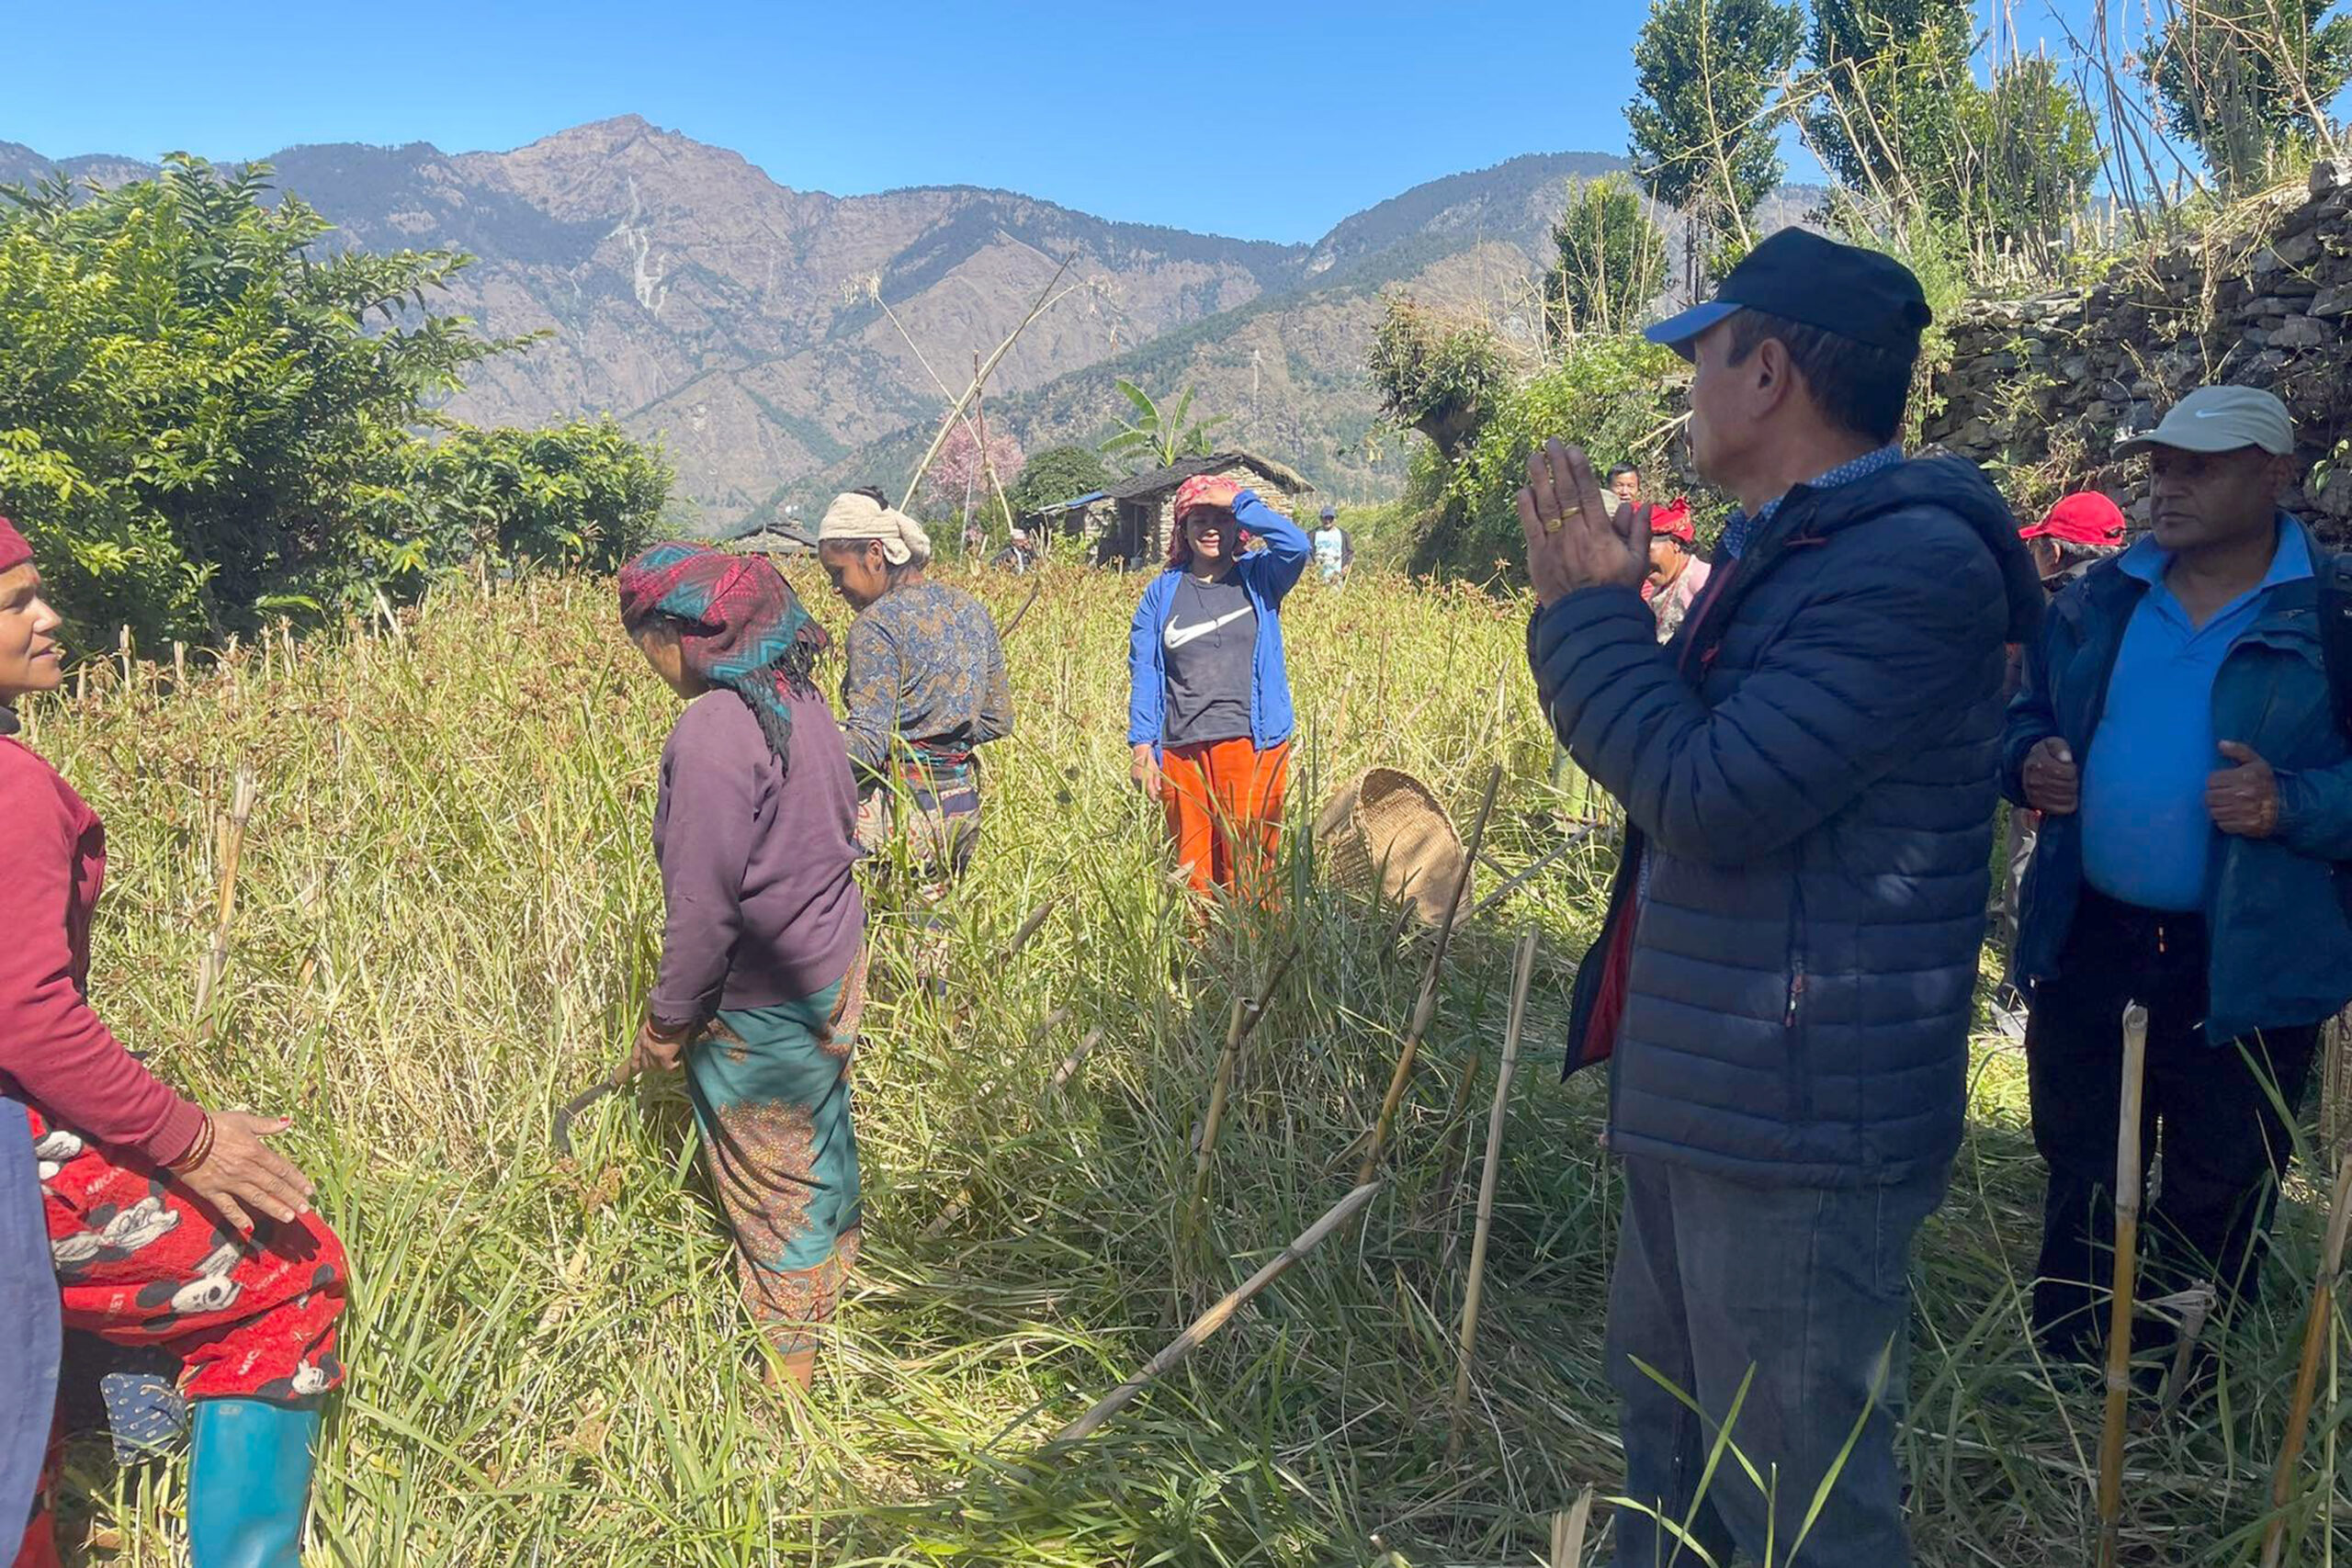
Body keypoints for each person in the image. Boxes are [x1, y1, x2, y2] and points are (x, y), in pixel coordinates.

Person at [1520, 229, 2041, 1568]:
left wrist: (1584, 618)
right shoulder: (1794, 549)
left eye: (1700, 354)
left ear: (1766, 371)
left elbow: (1704, 791)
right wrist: (1628, 609)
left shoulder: (1907, 564)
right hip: (1721, 1076)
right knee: (1679, 1448)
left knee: (1797, 1497)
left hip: (1799, 1108)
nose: (1685, 385)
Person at [0, 519, 347, 1568]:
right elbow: (27, 1014)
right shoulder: (10, 789)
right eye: (16, 603)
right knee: (288, 1274)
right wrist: (188, 1138)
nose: (47, 618)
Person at [2005, 387, 2352, 1362]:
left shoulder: (2331, 615)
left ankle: (2181, 1387)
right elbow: (2020, 717)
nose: (2169, 486)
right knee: (2079, 1152)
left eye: (2199, 466)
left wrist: (2292, 803)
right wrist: (2025, 760)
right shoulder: (2096, 601)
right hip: (2091, 936)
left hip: (2242, 955)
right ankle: (2071, 1370)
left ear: (2275, 475)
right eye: (2160, 465)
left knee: (2222, 1171)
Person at [617, 542, 870, 1392]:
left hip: (761, 1005)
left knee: (772, 1194)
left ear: (682, 636)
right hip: (831, 968)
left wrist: (666, 1020)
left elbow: (704, 906)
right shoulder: (796, 696)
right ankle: (837, 1295)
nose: (649, 664)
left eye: (646, 642)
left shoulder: (717, 726)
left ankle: (788, 1405)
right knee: (820, 1138)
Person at [815, 490, 1012, 892]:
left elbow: (867, 745)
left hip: (898, 814)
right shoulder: (969, 609)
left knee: (884, 943)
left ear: (875, 553)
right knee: (935, 940)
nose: (837, 588)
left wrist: (805, 754)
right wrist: (942, 744)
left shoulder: (876, 624)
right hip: (958, 807)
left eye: (838, 573)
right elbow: (997, 719)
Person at [1127, 474, 1309, 909]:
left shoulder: (1260, 577)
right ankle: (1205, 962)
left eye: (1221, 521)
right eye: (1199, 520)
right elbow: (1147, 671)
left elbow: (1297, 546)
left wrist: (1241, 500)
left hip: (1252, 741)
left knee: (1251, 862)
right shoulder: (1162, 593)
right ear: (1183, 531)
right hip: (1181, 747)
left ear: (1236, 530)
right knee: (1193, 865)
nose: (1211, 529)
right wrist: (1141, 747)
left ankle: (1260, 959)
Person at [1998, 491, 2128, 947]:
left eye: (2037, 548)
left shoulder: (2051, 612)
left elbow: (2023, 703)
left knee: (2028, 884)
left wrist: (2024, 766)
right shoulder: (2145, 605)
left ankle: (2018, 996)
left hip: (2049, 788)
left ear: (2053, 552)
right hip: (2122, 814)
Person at [1639, 497, 1709, 642]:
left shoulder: (1702, 582)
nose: (1642, 564)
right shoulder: (1661, 588)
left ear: (1675, 543)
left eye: (1647, 552)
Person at [1311, 503, 1351, 586]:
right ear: (1321, 519)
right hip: (1318, 577)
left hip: (1337, 576)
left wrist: (1346, 565)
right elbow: (1307, 552)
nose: (1327, 521)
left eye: (1330, 518)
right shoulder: (1313, 534)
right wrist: (1310, 567)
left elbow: (1350, 552)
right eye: (1325, 518)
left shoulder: (1343, 535)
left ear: (1335, 519)